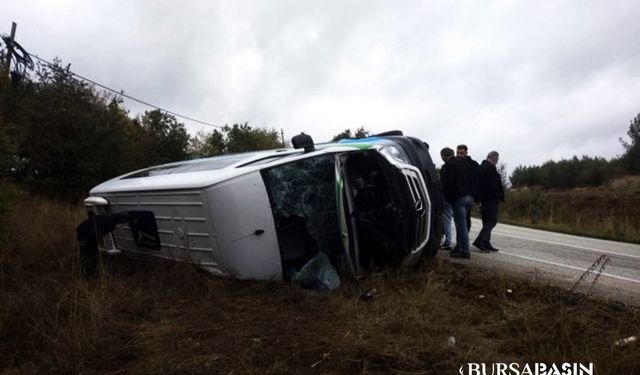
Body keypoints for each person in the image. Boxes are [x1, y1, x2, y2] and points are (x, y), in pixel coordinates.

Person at [440, 147, 475, 259]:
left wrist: (447, 198)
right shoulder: (466, 163)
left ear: (444, 156)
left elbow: (448, 184)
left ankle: (465, 251)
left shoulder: (448, 166)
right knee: (463, 223)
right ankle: (459, 247)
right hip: (470, 196)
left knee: (461, 225)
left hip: (459, 197)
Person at [473, 151, 505, 252]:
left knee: (486, 221)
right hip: (490, 199)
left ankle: (486, 242)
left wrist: (478, 199)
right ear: (494, 158)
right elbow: (492, 185)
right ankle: (480, 240)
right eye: (497, 160)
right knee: (492, 220)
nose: (497, 162)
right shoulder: (488, 169)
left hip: (484, 199)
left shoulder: (481, 167)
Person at [456, 145, 479, 231]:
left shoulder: (473, 164)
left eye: (461, 153)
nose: (459, 155)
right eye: (457, 153)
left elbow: (477, 181)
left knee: (465, 217)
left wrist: (477, 197)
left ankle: (464, 237)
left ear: (466, 152)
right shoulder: (455, 163)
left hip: (469, 194)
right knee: (459, 218)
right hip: (458, 194)